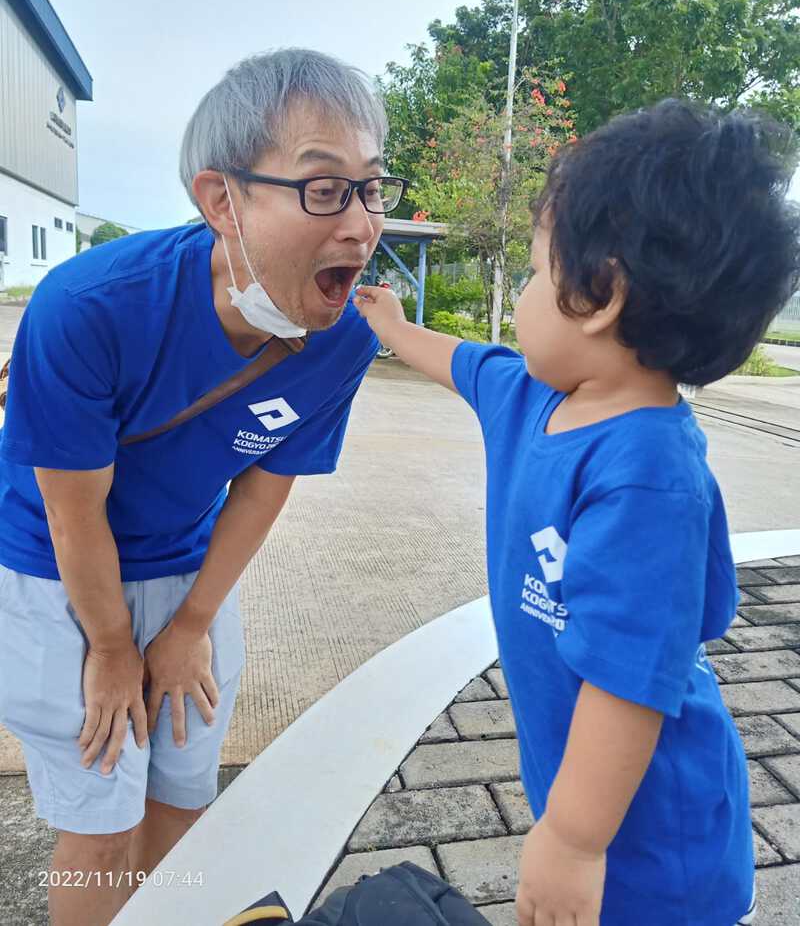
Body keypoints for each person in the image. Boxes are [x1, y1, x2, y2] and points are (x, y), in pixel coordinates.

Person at [354, 99, 800, 926]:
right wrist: (392, 325)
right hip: (586, 802)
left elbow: (628, 682)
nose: (523, 293)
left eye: (532, 270)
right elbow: (461, 360)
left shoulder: (650, 479)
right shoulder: (534, 396)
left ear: (599, 293)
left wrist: (570, 838)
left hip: (658, 849)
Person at [0, 48, 406, 926]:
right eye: (324, 188)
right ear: (222, 200)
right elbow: (73, 514)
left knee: (185, 808)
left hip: (189, 571)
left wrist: (189, 626)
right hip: (58, 578)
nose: (361, 224)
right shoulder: (90, 307)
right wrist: (113, 648)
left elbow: (263, 485)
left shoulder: (342, 339)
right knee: (103, 829)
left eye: (372, 188)